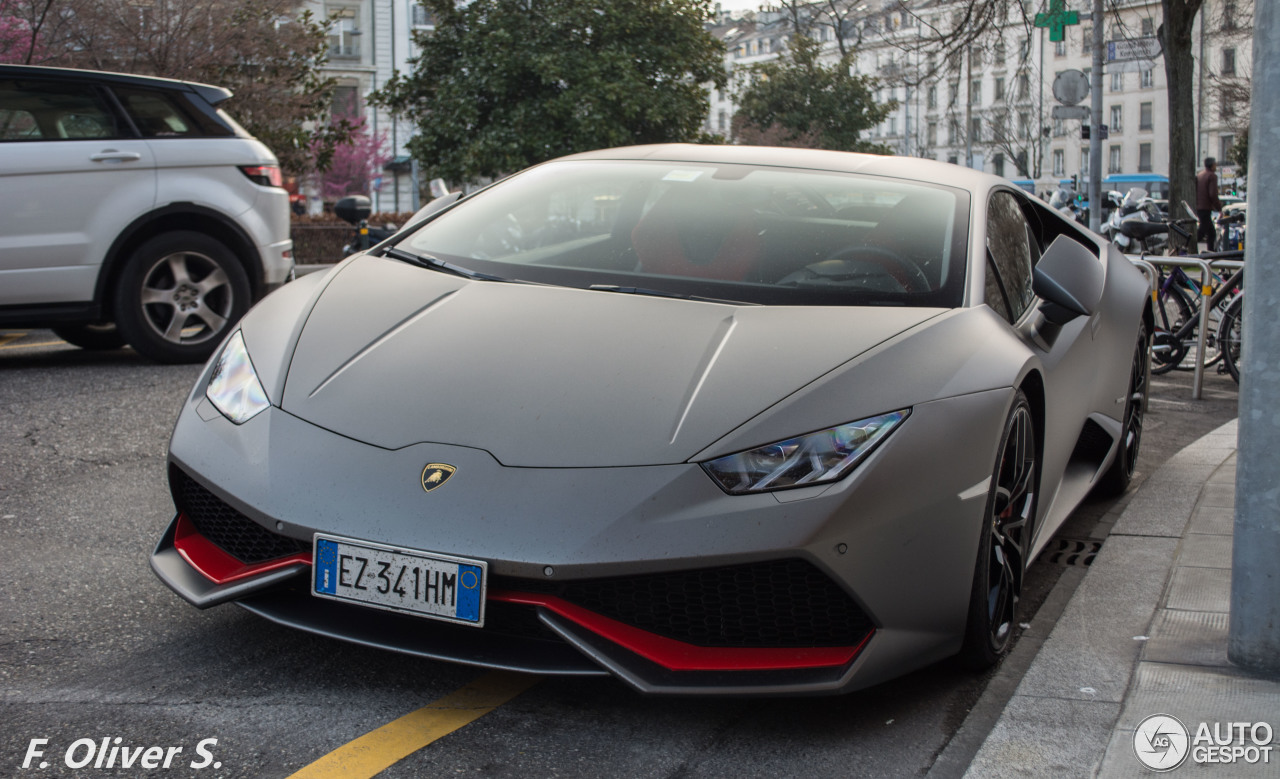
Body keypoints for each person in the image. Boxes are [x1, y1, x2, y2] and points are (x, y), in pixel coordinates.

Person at [1196, 157, 1223, 252]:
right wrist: (1219, 208)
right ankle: (1210, 253)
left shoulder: (1200, 175)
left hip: (1199, 207)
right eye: (1215, 164)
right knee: (1207, 233)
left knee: (1206, 231)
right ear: (1212, 166)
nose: (1216, 166)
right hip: (1206, 208)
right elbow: (1213, 194)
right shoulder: (1212, 176)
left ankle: (1209, 252)